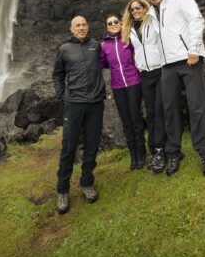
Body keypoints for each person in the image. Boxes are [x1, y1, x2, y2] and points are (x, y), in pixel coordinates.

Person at [141, 0, 205, 177]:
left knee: (197, 107)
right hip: (167, 67)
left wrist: (194, 49)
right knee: (170, 111)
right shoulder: (151, 14)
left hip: (188, 60)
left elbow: (196, 20)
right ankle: (173, 153)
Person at [53, 16, 106, 214]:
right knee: (69, 146)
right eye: (78, 25)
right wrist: (63, 95)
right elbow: (57, 74)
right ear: (71, 29)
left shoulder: (96, 46)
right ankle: (62, 190)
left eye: (84, 25)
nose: (82, 28)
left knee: (92, 145)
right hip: (74, 104)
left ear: (88, 27)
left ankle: (86, 183)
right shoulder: (64, 50)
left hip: (95, 103)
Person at [121, 0, 167, 174]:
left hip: (160, 70)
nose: (135, 11)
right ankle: (156, 150)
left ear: (144, 7)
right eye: (132, 9)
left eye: (138, 7)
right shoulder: (129, 29)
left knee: (162, 109)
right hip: (145, 75)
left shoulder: (153, 21)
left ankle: (166, 148)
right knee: (152, 112)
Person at [99, 13, 146, 170]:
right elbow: (101, 63)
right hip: (117, 86)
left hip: (134, 82)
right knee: (126, 121)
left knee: (136, 117)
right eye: (109, 23)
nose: (113, 24)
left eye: (115, 22)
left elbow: (140, 52)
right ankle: (133, 155)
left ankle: (142, 153)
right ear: (106, 27)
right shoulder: (104, 45)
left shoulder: (128, 37)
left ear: (120, 22)